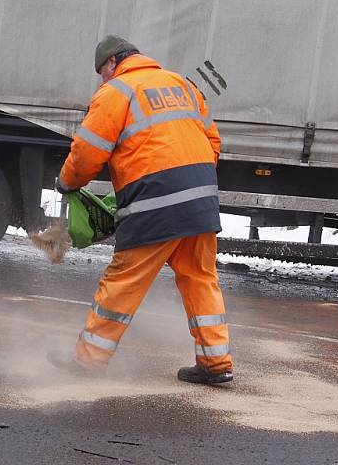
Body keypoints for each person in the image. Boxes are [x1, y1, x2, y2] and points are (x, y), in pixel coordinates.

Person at [47, 35, 233, 385]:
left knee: (122, 282)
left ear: (114, 62)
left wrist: (68, 182)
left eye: (103, 71)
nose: (103, 78)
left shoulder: (117, 92)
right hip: (200, 202)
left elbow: (88, 152)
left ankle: (88, 361)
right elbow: (212, 140)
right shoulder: (181, 84)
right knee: (200, 278)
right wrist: (190, 181)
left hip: (154, 203)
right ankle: (216, 362)